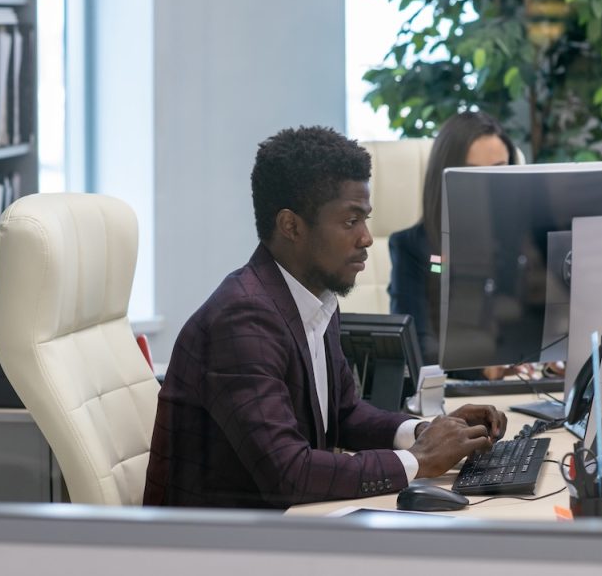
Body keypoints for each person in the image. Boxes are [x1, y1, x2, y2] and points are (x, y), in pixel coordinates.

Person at [143, 126, 507, 509]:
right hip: (214, 549)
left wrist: (426, 431)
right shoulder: (242, 319)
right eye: (351, 221)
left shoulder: (316, 300)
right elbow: (288, 473)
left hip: (282, 527)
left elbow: (345, 414)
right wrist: (418, 460)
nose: (367, 238)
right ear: (291, 226)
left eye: (365, 219)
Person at [388, 111, 518, 376]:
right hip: (459, 398)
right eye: (472, 174)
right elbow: (418, 349)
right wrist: (484, 369)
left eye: (499, 172)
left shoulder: (516, 243)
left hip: (526, 390)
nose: (487, 186)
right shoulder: (412, 248)